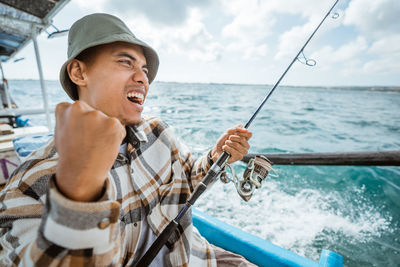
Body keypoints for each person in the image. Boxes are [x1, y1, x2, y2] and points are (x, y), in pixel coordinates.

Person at [0, 13, 255, 266]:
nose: (144, 78)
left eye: (144, 69)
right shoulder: (30, 182)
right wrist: (81, 186)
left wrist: (216, 155)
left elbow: (188, 177)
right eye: (126, 62)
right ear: (78, 72)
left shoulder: (159, 131)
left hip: (196, 255)